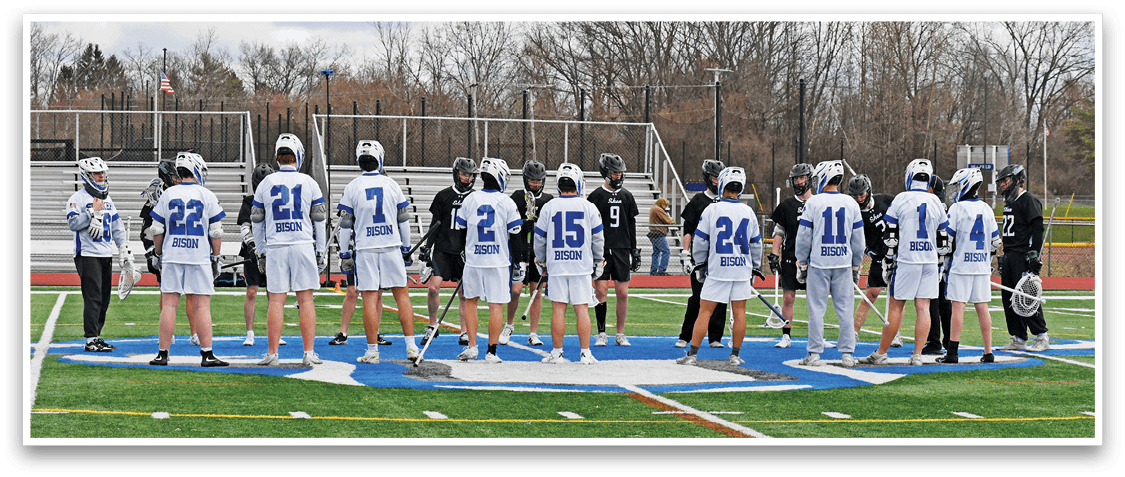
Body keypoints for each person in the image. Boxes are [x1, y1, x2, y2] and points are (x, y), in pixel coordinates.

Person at [337, 140, 419, 363]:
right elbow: (404, 220)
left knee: (370, 299)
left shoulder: (353, 186)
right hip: (391, 245)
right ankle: (411, 347)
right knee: (402, 295)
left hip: (366, 249)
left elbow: (345, 225)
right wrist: (406, 247)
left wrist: (345, 254)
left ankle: (372, 351)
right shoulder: (392, 184)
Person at [251, 133, 328, 366]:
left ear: (277, 157)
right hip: (303, 244)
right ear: (298, 156)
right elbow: (319, 220)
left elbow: (256, 220)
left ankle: (272, 353)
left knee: (276, 301)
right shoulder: (309, 182)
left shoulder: (265, 183)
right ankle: (308, 353)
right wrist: (320, 251)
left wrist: (261, 251)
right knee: (305, 300)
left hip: (276, 246)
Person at [862, 158, 949, 366]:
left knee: (896, 307)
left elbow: (890, 235)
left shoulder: (901, 198)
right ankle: (917, 355)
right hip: (929, 261)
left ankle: (882, 353)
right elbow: (944, 238)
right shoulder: (935, 201)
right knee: (924, 307)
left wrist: (889, 260)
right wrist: (939, 262)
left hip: (907, 259)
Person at [145, 152, 228, 367]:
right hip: (198, 256)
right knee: (201, 306)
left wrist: (159, 254)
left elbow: (156, 229)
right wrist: (216, 258)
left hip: (173, 255)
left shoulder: (168, 194)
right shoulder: (207, 195)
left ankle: (162, 353)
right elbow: (216, 232)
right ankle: (207, 354)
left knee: (169, 306)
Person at [676, 167, 763, 366]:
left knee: (705, 311)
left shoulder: (712, 209)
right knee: (740, 311)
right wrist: (755, 267)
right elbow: (756, 244)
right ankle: (735, 355)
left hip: (718, 269)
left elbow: (700, 241)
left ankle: (692, 354)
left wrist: (700, 264)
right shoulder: (748, 211)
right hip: (741, 269)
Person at [794, 160, 865, 367]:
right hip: (843, 262)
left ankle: (814, 354)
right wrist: (856, 265)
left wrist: (802, 262)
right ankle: (847, 354)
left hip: (819, 263)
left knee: (816, 309)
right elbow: (858, 240)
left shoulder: (813, 202)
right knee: (845, 309)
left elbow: (804, 237)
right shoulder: (851, 203)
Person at [533, 162, 605, 365]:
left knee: (558, 309)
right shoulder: (588, 207)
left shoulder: (549, 206)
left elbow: (539, 238)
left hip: (556, 265)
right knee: (582, 308)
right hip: (581, 265)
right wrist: (598, 259)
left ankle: (557, 353)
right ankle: (585, 353)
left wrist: (541, 259)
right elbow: (598, 238)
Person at [453, 157, 522, 363]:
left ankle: (472, 346)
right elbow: (516, 235)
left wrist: (463, 252)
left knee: (470, 303)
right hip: (498, 261)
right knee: (496, 306)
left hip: (474, 260)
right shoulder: (506, 202)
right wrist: (519, 262)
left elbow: (460, 231)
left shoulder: (470, 199)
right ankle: (491, 351)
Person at [66, 157, 132, 352]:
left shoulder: (107, 199)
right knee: (93, 297)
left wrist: (123, 247)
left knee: (104, 298)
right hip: (87, 253)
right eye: (97, 173)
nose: (101, 176)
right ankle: (91, 339)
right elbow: (73, 224)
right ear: (87, 175)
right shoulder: (77, 198)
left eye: (102, 173)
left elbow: (117, 226)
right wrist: (91, 214)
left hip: (105, 253)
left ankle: (97, 335)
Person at [938, 167, 1000, 363]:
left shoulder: (957, 209)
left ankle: (952, 352)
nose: (955, 191)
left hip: (961, 267)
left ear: (966, 184)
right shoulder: (987, 209)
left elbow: (947, 240)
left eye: (957, 186)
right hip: (981, 267)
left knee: (958, 307)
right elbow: (995, 242)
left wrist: (943, 260)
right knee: (983, 308)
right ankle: (988, 352)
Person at [140, 158, 201, 345]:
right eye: (174, 176)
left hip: (185, 244)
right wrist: (152, 251)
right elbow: (148, 228)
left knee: (191, 292)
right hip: (166, 248)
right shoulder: (158, 196)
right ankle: (169, 334)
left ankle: (195, 333)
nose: (178, 179)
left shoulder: (185, 192)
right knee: (167, 293)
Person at [418, 157, 477, 348]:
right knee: (433, 287)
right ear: (456, 173)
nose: (466, 178)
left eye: (469, 175)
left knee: (464, 293)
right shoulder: (443, 196)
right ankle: (432, 324)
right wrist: (428, 248)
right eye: (463, 174)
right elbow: (435, 225)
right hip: (443, 249)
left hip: (463, 251)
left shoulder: (475, 198)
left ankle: (464, 331)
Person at [586, 153, 640, 347]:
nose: (617, 176)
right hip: (601, 250)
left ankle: (620, 333)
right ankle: (601, 332)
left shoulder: (627, 195)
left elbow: (631, 225)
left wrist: (634, 250)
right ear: (605, 172)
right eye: (614, 173)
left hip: (621, 248)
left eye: (619, 173)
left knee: (622, 293)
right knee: (601, 291)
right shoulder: (595, 196)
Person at [995, 164, 1049, 351]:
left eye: (1006, 180)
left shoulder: (1029, 200)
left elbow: (1037, 229)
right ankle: (1018, 337)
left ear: (1017, 180)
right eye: (1001, 181)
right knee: (1009, 298)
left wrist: (1034, 254)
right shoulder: (1010, 202)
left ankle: (1041, 335)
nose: (1003, 184)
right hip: (1010, 254)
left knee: (1026, 295)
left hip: (1023, 255)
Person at [675, 159, 728, 349]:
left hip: (721, 255)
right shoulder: (698, 200)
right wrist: (685, 253)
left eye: (719, 177)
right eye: (714, 177)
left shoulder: (726, 201)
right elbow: (688, 229)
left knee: (720, 299)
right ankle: (685, 336)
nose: (716, 181)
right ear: (707, 177)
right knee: (697, 297)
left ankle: (715, 337)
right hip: (701, 256)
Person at [767, 163, 819, 349]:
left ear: (809, 178)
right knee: (788, 297)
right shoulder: (787, 204)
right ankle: (786, 336)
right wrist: (774, 254)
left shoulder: (818, 202)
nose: (798, 181)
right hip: (791, 258)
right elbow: (779, 232)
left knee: (816, 299)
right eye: (796, 178)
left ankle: (816, 336)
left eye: (802, 177)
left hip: (814, 259)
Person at [501, 160, 552, 347]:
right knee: (515, 290)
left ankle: (533, 332)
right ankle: (509, 325)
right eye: (532, 180)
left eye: (539, 180)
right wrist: (524, 224)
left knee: (535, 291)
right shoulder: (515, 197)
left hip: (537, 251)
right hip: (519, 249)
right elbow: (508, 223)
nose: (535, 184)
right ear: (525, 179)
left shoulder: (548, 200)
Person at [846, 174, 900, 346]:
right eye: (855, 196)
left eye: (861, 195)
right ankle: (854, 331)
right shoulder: (854, 213)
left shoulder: (885, 200)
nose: (859, 199)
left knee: (897, 296)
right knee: (872, 292)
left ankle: (895, 334)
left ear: (868, 191)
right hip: (877, 255)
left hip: (896, 253)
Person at [238, 162, 285, 347]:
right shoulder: (249, 201)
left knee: (273, 293)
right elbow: (244, 226)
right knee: (252, 291)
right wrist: (253, 245)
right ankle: (250, 333)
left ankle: (275, 332)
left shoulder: (277, 200)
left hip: (272, 250)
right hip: (253, 253)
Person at [923, 176, 953, 355]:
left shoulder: (932, 206)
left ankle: (934, 341)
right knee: (945, 302)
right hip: (947, 259)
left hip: (934, 258)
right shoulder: (947, 207)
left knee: (932, 301)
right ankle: (949, 340)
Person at [648, 197, 674, 275]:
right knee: (666, 251)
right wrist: (673, 222)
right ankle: (661, 271)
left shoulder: (654, 208)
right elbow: (667, 219)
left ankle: (653, 271)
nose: (665, 207)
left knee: (656, 252)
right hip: (658, 234)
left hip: (653, 234)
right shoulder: (657, 209)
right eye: (665, 205)